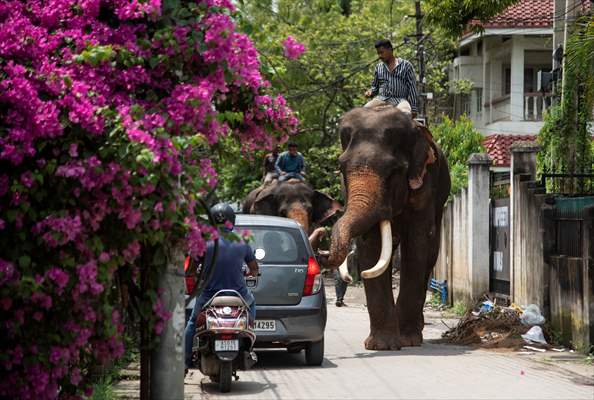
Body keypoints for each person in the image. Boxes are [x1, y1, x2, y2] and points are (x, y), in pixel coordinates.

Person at [184, 203, 259, 372]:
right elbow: (254, 268)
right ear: (231, 220)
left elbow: (189, 270)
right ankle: (249, 335)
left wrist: (194, 274)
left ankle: (186, 360)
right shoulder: (242, 240)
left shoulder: (204, 242)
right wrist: (250, 274)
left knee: (192, 324)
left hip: (209, 295)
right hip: (238, 295)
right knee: (252, 306)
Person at [364, 39, 419, 117]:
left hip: (400, 101)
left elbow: (412, 88)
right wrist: (370, 92)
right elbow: (375, 88)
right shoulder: (378, 67)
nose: (380, 56)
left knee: (405, 114)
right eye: (378, 53)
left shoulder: (406, 65)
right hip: (381, 99)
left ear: (390, 50)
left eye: (381, 52)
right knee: (363, 111)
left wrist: (413, 108)